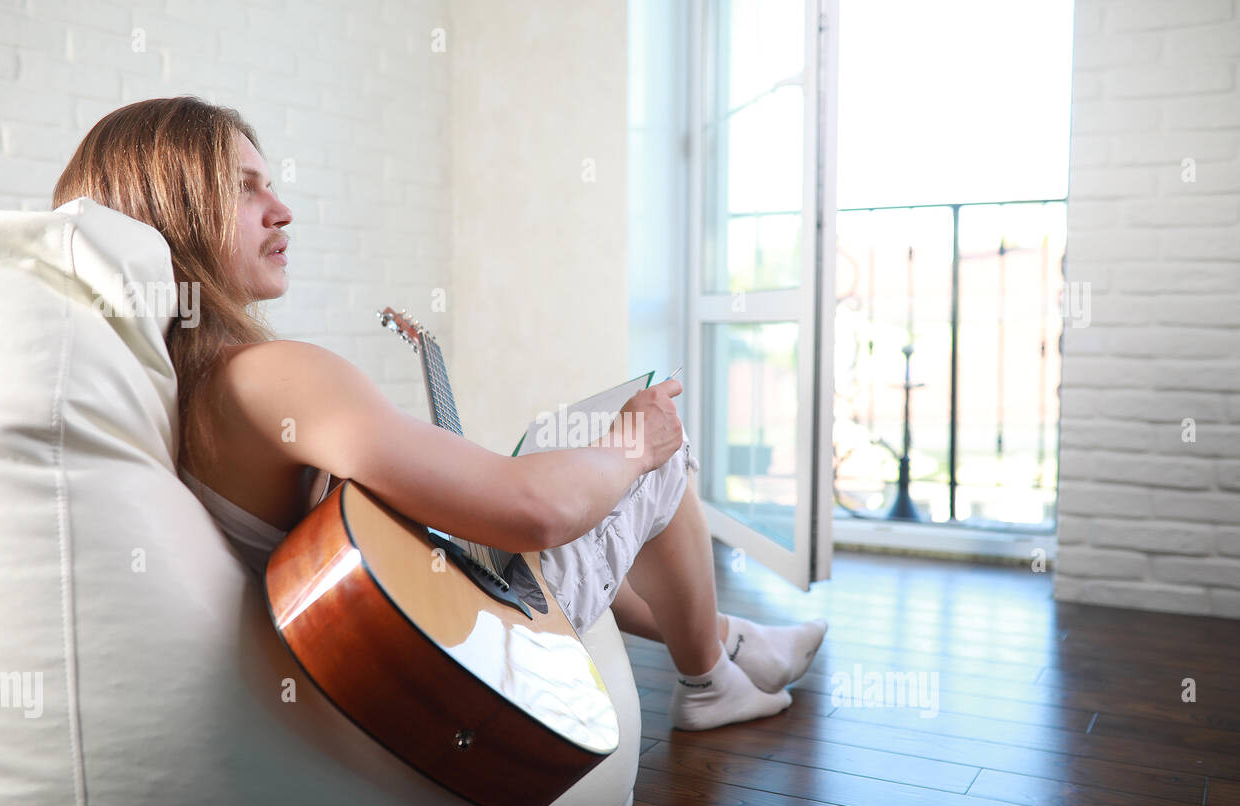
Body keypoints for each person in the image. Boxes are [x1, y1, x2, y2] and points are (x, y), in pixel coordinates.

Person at [51, 96, 827, 732]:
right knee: (661, 457)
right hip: (455, 643)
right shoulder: (269, 374)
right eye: (244, 187)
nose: (281, 210)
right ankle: (709, 682)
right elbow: (535, 511)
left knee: (536, 485)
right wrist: (634, 443)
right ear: (171, 212)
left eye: (271, 184)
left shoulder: (170, 382)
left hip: (374, 624)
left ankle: (729, 641)